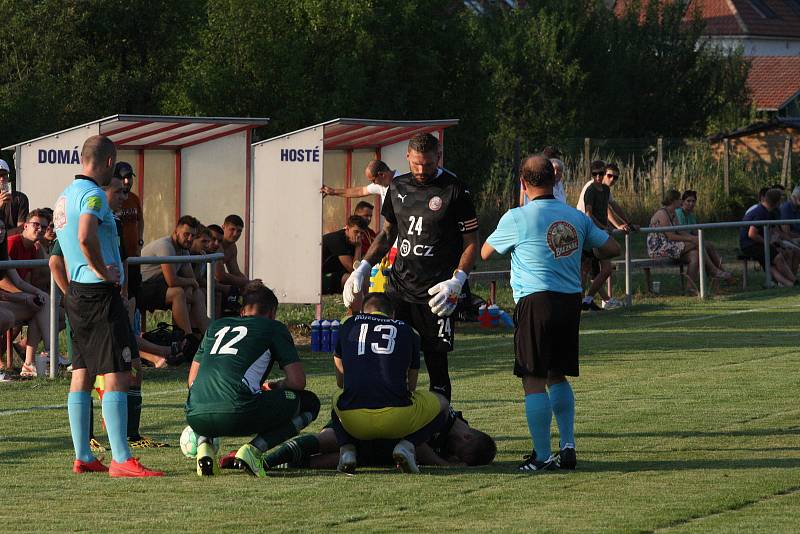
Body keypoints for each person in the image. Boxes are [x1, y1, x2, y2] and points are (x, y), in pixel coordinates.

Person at [481, 155, 620, 472]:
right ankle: (567, 445)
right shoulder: (575, 217)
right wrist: (585, 248)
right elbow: (612, 248)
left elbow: (487, 252)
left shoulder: (517, 217)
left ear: (522, 181)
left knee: (533, 377)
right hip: (569, 301)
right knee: (558, 373)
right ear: (555, 181)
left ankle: (542, 456)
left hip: (536, 300)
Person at [53, 134, 162, 476]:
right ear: (110, 162)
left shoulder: (64, 197)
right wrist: (105, 271)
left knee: (82, 373)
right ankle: (120, 458)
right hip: (99, 292)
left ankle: (83, 455)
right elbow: (85, 236)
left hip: (77, 295)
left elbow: (66, 248)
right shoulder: (94, 195)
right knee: (118, 371)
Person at [343, 133, 479, 402]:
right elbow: (387, 234)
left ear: (438, 158)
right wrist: (363, 268)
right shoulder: (397, 187)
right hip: (399, 289)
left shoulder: (456, 190)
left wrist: (457, 280)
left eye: (427, 164)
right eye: (416, 164)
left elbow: (472, 242)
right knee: (391, 359)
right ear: (407, 157)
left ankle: (440, 429)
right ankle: (395, 420)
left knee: (437, 365)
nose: (421, 170)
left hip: (438, 294)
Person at [185, 281, 320, 477]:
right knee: (310, 403)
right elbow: (297, 381)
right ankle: (254, 450)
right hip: (238, 410)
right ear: (272, 313)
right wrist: (274, 386)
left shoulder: (216, 326)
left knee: (210, 393)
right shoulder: (273, 328)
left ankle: (204, 448)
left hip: (195, 415)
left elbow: (192, 381)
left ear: (242, 311)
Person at [331, 293, 449, 474]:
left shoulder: (347, 324)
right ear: (392, 314)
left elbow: (341, 381)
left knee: (336, 398)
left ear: (363, 311)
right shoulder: (409, 331)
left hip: (353, 420)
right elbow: (411, 386)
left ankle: (347, 449)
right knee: (443, 404)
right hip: (398, 418)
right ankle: (408, 445)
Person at [241, 406, 496, 471]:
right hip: (369, 419)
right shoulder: (440, 416)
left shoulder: (454, 429)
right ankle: (261, 458)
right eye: (458, 453)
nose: (452, 456)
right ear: (465, 437)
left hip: (380, 442)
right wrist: (445, 465)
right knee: (331, 439)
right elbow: (418, 445)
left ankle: (278, 464)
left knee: (332, 461)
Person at [648, 190, 730, 293]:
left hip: (670, 246)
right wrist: (691, 239)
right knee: (696, 243)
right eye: (679, 199)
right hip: (659, 248)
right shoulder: (662, 213)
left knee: (695, 254)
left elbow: (680, 231)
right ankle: (713, 270)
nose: (680, 202)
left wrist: (694, 238)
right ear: (673, 200)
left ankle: (690, 287)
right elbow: (670, 236)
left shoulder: (673, 213)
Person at [140, 215, 207, 337]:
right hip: (142, 286)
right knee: (177, 293)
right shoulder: (165, 246)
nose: (190, 239)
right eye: (186, 234)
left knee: (197, 293)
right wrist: (191, 283)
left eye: (193, 236)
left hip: (159, 286)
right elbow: (172, 281)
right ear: (176, 231)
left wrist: (191, 285)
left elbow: (191, 277)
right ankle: (187, 337)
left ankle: (207, 337)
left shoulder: (184, 250)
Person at [0, 218, 49, 377]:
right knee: (6, 318)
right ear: (25, 225)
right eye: (37, 225)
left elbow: (20, 281)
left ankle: (33, 362)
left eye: (2, 228)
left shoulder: (4, 253)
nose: (1, 232)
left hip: (6, 301)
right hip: (6, 300)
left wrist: (37, 293)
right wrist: (23, 298)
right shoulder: (13, 242)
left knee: (42, 303)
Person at [577, 160, 621, 310]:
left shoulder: (605, 190)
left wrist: (626, 222)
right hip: (588, 232)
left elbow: (611, 208)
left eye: (601, 174)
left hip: (598, 232)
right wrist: (605, 227)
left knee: (604, 269)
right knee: (585, 268)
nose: (598, 177)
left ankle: (588, 299)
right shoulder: (590, 190)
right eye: (595, 174)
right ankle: (583, 300)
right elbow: (589, 214)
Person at [740, 188, 797, 287]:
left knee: (771, 265)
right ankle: (794, 281)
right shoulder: (761, 212)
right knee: (778, 258)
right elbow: (752, 234)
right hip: (750, 244)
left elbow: (773, 231)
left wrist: (782, 241)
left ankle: (789, 284)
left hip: (753, 243)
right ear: (777, 202)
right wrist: (767, 243)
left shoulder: (767, 211)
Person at [676, 190, 730, 279]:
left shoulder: (691, 215)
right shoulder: (679, 212)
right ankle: (716, 271)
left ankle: (718, 272)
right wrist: (696, 239)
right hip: (680, 243)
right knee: (703, 245)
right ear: (682, 202)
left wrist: (699, 237)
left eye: (693, 201)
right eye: (688, 201)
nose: (691, 203)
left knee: (708, 245)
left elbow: (695, 231)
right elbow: (681, 233)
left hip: (689, 242)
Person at [114, 162, 144, 300]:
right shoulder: (112, 199)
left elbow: (140, 220)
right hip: (118, 257)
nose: (127, 181)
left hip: (133, 256)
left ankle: (136, 322)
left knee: (135, 295)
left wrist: (139, 242)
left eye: (130, 177)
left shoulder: (134, 198)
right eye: (124, 178)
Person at [321, 215, 367, 297]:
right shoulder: (338, 240)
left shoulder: (352, 241)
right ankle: (357, 309)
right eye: (356, 232)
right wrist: (358, 247)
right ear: (347, 229)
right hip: (316, 280)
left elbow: (359, 267)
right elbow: (354, 270)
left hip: (331, 273)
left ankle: (365, 306)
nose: (359, 236)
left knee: (365, 278)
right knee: (354, 280)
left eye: (362, 233)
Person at [321, 160, 398, 203]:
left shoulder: (403, 183)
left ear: (381, 174)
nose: (374, 183)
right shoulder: (382, 184)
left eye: (373, 180)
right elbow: (360, 191)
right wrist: (334, 191)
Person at [214, 214, 249, 290]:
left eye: (239, 231)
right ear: (223, 227)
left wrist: (251, 283)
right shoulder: (216, 245)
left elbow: (235, 272)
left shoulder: (232, 247)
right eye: (232, 229)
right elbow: (220, 276)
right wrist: (247, 282)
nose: (235, 234)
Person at [0, 159, 29, 237]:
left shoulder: (20, 198)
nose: (2, 178)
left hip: (13, 243)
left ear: (8, 176)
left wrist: (3, 237)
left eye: (4, 174)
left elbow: (21, 228)